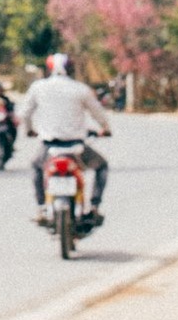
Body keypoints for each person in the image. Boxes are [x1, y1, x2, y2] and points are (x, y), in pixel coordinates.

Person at [17, 52, 112, 226]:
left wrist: (30, 131)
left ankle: (41, 207)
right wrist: (106, 129)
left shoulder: (38, 87)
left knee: (36, 167)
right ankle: (94, 206)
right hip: (77, 147)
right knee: (102, 166)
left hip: (49, 147)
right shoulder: (80, 89)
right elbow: (98, 113)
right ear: (70, 69)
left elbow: (26, 114)